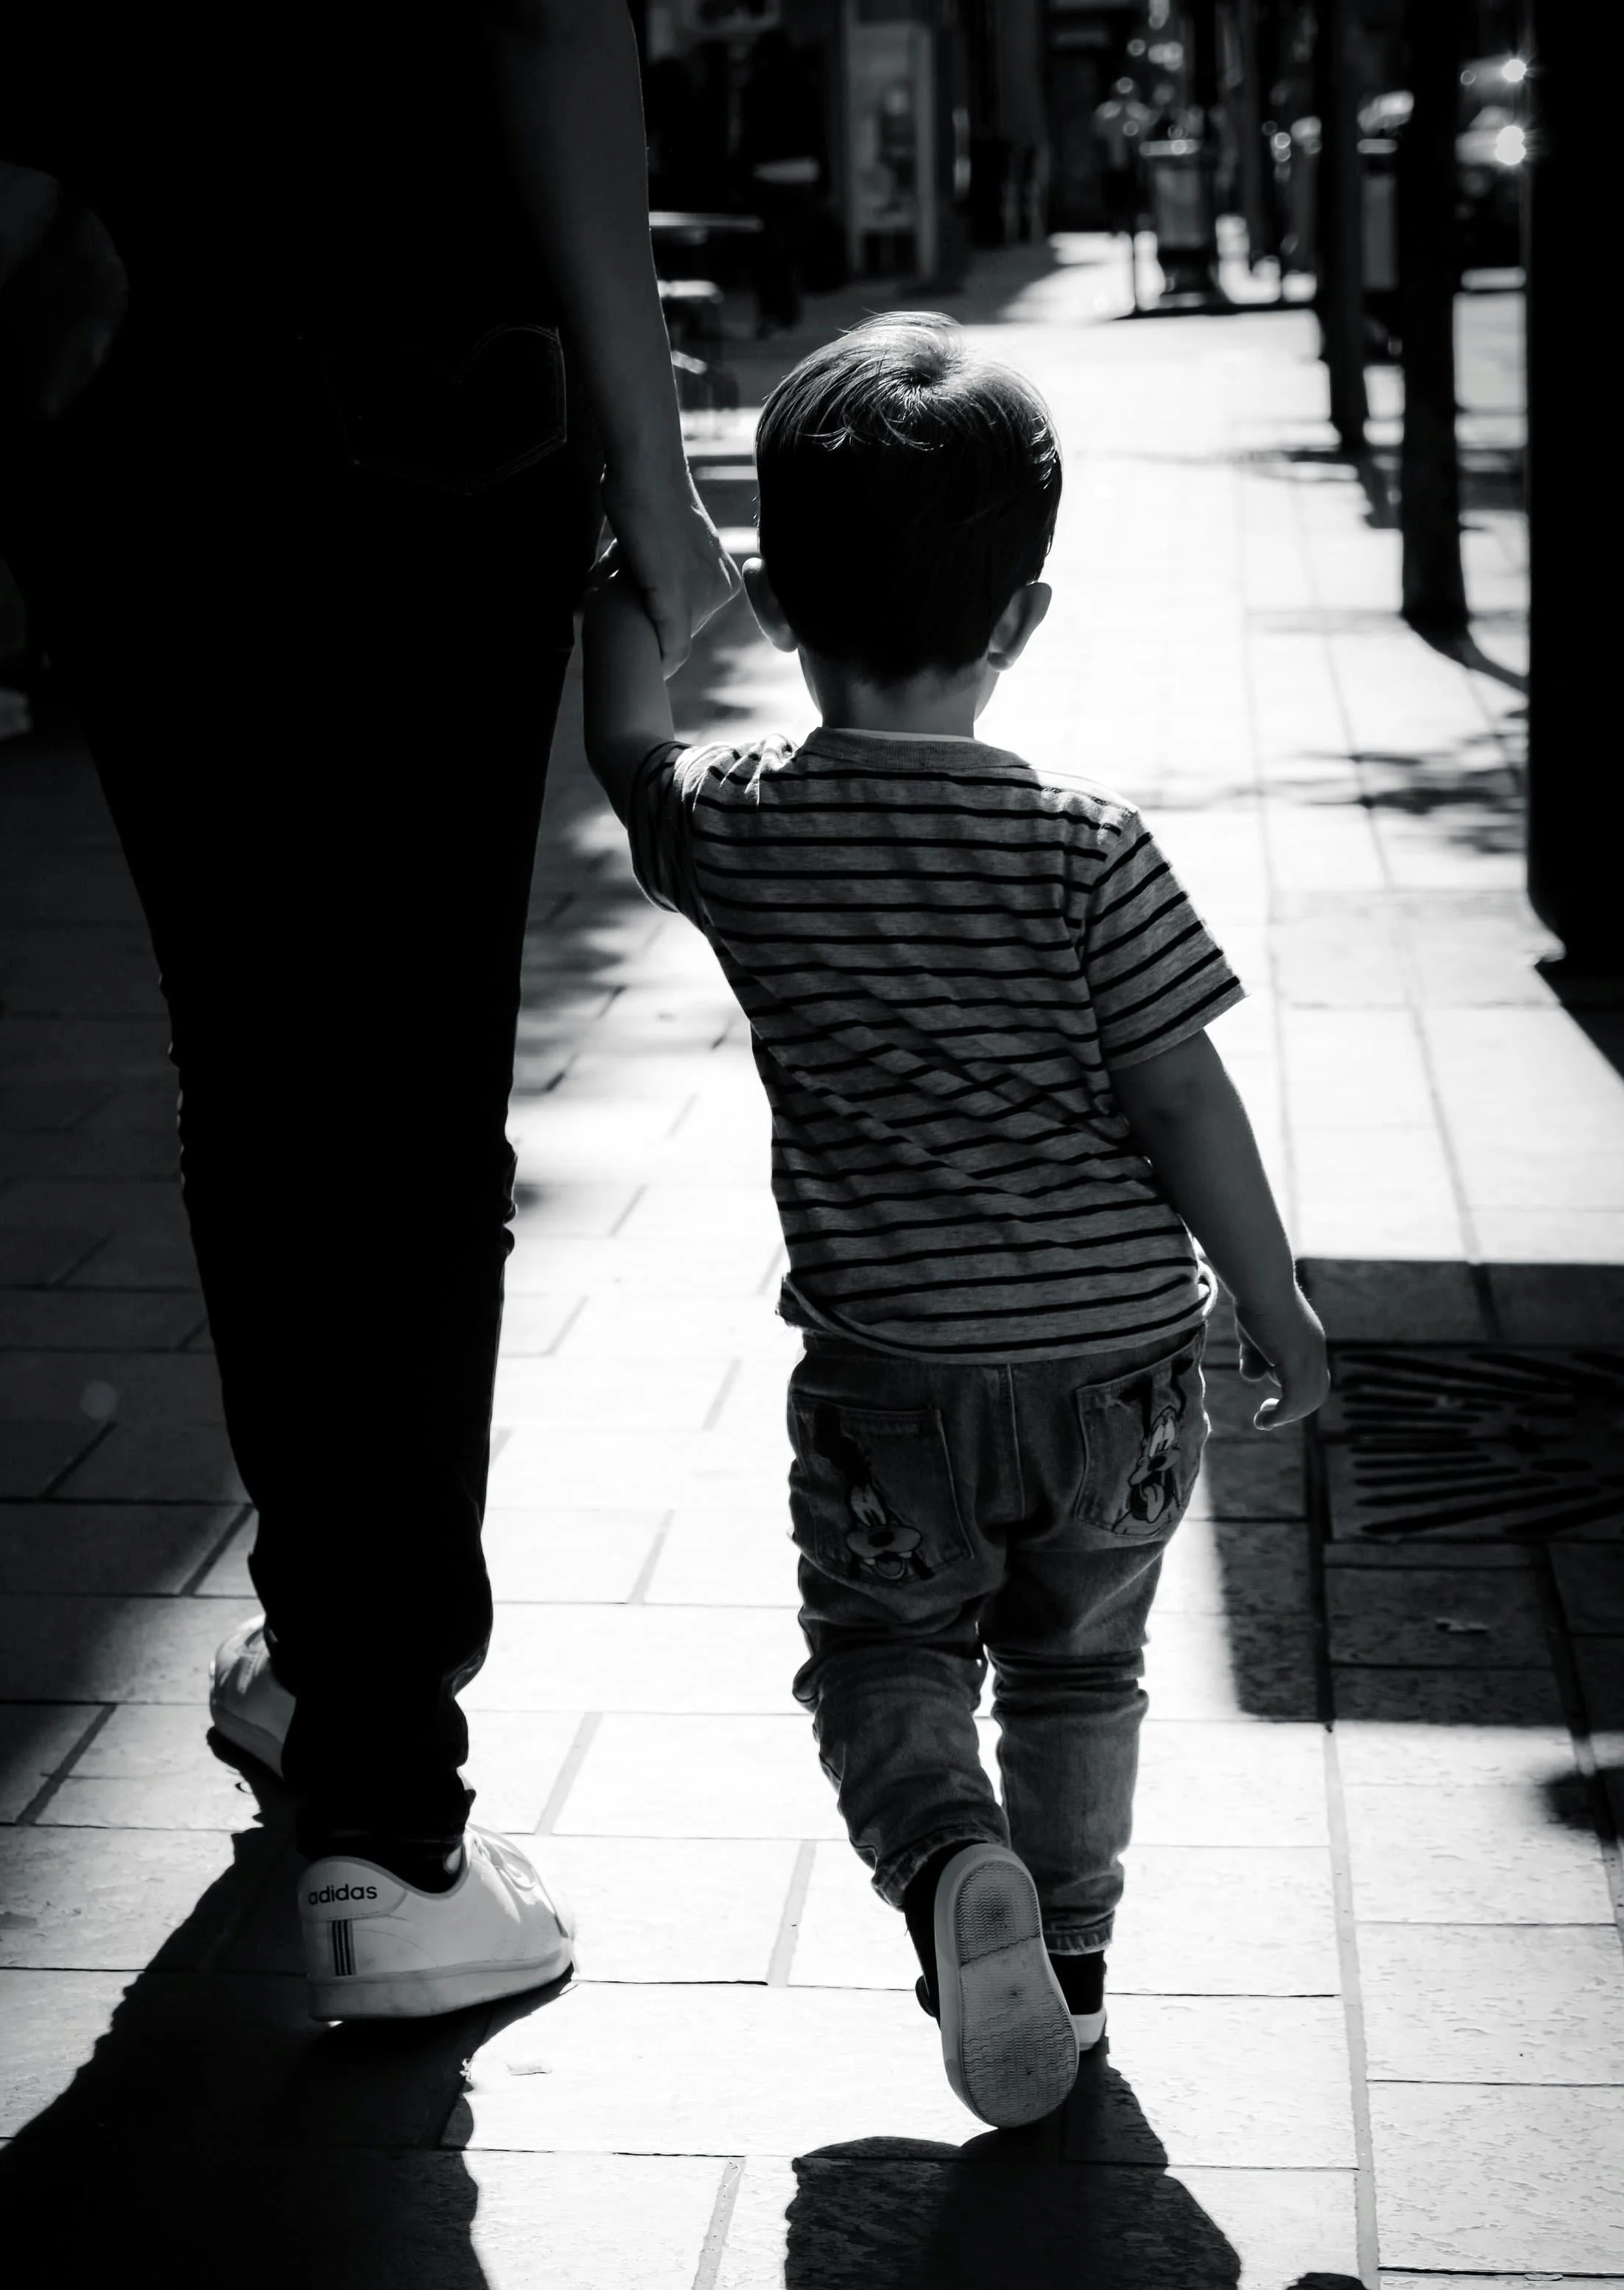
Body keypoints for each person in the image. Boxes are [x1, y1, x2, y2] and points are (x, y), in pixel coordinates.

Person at [0, 1, 735, 2023]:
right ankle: (393, 1825)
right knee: (399, 1103)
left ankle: (331, 1666)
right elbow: (550, 22)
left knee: (255, 1070)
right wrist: (654, 471)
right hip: (417, 390)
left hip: (125, 391)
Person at [581, 314, 1327, 2128]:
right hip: (1116, 1365)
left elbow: (625, 748)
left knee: (886, 1654)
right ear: (1024, 619)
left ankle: (944, 1861)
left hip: (888, 1373)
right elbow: (1178, 1094)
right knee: (1085, 1665)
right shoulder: (1086, 844)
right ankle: (1064, 1964)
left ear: (781, 601)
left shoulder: (744, 827)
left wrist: (635, 575)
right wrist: (1277, 1299)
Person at [1091, 74, 1150, 238]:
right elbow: (1099, 139)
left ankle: (1133, 222)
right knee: (1113, 195)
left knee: (1134, 195)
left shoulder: (1141, 115)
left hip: (1134, 166)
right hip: (1112, 164)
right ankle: (1115, 223)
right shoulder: (1105, 114)